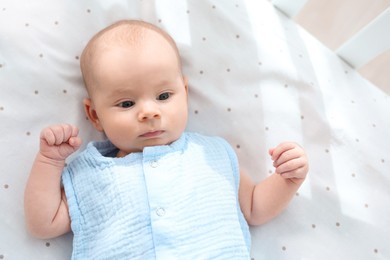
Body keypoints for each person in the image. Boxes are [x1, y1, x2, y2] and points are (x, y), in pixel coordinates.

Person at [24, 20, 309, 259]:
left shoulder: (212, 155)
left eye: (163, 96)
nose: (149, 112)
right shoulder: (89, 173)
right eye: (126, 104)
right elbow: (43, 224)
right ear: (94, 115)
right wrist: (49, 161)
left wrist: (287, 180)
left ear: (184, 92)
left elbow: (254, 208)